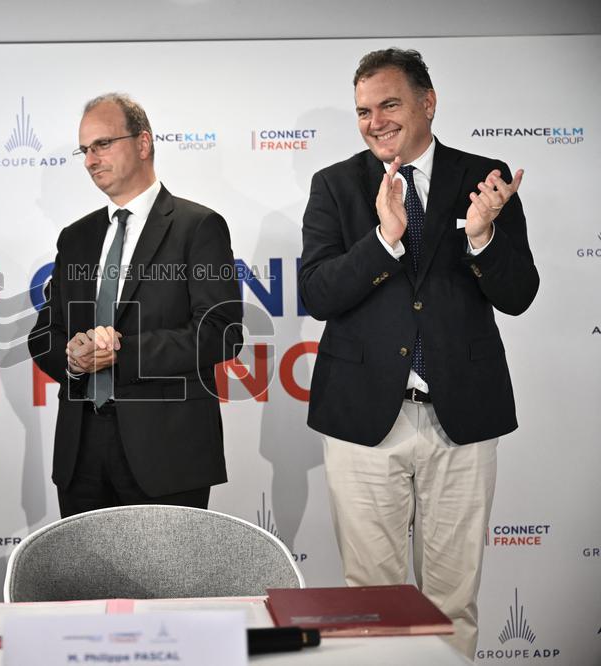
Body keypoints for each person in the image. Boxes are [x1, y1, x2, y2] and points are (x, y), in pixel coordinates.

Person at [298, 48, 539, 657]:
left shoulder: (485, 178)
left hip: (462, 416)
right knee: (372, 601)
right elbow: (317, 292)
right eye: (362, 111)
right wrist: (383, 240)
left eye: (389, 104)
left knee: (452, 602)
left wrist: (483, 236)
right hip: (362, 419)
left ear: (428, 102)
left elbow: (519, 294)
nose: (375, 120)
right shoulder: (334, 184)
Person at [29, 93, 243, 518]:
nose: (91, 160)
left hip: (167, 453)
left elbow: (220, 331)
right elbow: (43, 334)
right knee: (84, 585)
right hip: (81, 452)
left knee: (168, 583)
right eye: (85, 150)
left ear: (143, 144)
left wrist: (120, 353)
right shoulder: (76, 237)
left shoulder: (198, 226)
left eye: (103, 144)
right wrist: (73, 359)